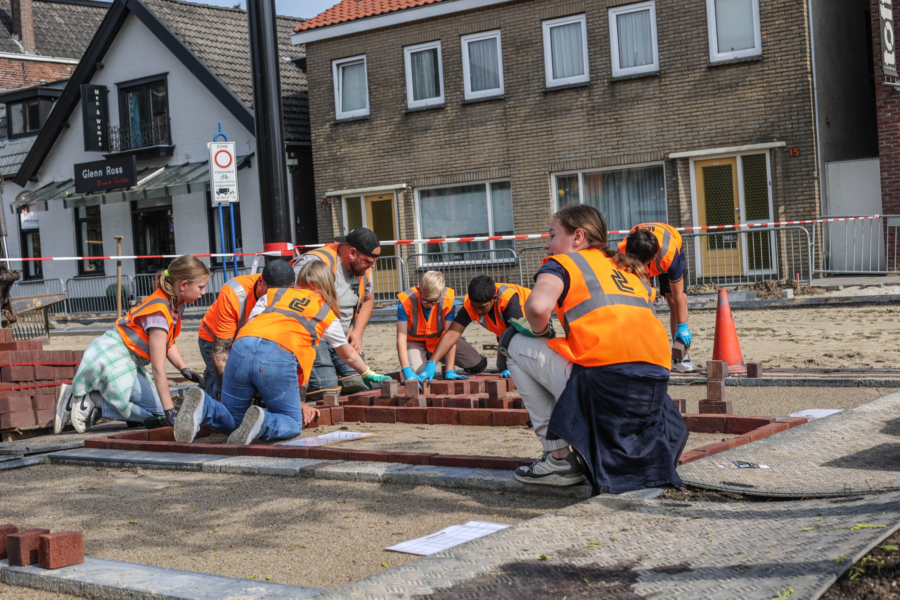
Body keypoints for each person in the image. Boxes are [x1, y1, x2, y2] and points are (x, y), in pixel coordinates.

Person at [501, 205, 688, 495]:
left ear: (578, 237)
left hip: (606, 385)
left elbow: (537, 308)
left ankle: (558, 459)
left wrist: (538, 331)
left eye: (552, 235)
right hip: (652, 390)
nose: (547, 244)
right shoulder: (627, 267)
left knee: (512, 343)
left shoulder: (562, 263)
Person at [175, 260, 392, 445]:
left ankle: (205, 406)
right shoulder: (325, 312)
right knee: (292, 423)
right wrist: (367, 373)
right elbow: (349, 355)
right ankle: (264, 421)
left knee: (234, 419)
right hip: (276, 355)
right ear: (328, 287)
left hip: (241, 347)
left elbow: (251, 327)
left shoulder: (271, 296)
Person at [53, 255, 210, 434]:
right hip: (114, 357)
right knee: (160, 413)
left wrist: (184, 369)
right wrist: (170, 411)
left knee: (157, 414)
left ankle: (85, 399)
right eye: (201, 287)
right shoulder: (160, 312)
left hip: (128, 359)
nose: (203, 292)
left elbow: (167, 342)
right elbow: (158, 369)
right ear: (183, 285)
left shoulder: (173, 303)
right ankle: (94, 401)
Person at [292, 228, 380, 398]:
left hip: (341, 336)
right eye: (368, 261)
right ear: (352, 253)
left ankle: (335, 371)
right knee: (324, 389)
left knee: (355, 382)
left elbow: (368, 300)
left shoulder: (364, 269)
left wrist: (357, 332)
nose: (372, 266)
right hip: (314, 336)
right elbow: (292, 302)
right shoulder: (315, 263)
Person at [415, 275, 526, 382]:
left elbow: (515, 335)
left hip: (532, 331)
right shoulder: (471, 305)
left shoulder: (508, 300)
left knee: (517, 364)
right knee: (502, 365)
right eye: (474, 306)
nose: (477, 311)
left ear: (494, 299)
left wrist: (512, 364)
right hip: (506, 335)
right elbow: (452, 334)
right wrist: (432, 362)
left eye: (482, 307)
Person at [619, 223, 697, 372]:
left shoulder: (669, 255)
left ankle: (679, 358)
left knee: (673, 300)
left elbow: (678, 294)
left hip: (670, 248)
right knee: (641, 300)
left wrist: (683, 327)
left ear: (654, 257)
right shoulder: (624, 251)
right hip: (639, 255)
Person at [197, 266, 278, 400]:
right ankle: (210, 383)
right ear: (261, 282)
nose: (275, 299)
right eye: (270, 294)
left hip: (245, 338)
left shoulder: (290, 292)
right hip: (214, 337)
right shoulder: (234, 292)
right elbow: (221, 350)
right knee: (230, 396)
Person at [396, 271, 484, 382]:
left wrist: (450, 370)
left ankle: (433, 358)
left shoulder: (448, 299)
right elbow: (401, 338)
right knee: (419, 374)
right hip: (416, 342)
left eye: (435, 302)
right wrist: (406, 370)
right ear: (419, 291)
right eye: (425, 301)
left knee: (477, 365)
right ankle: (424, 358)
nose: (429, 305)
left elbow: (450, 336)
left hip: (440, 341)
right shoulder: (405, 300)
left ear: (442, 292)